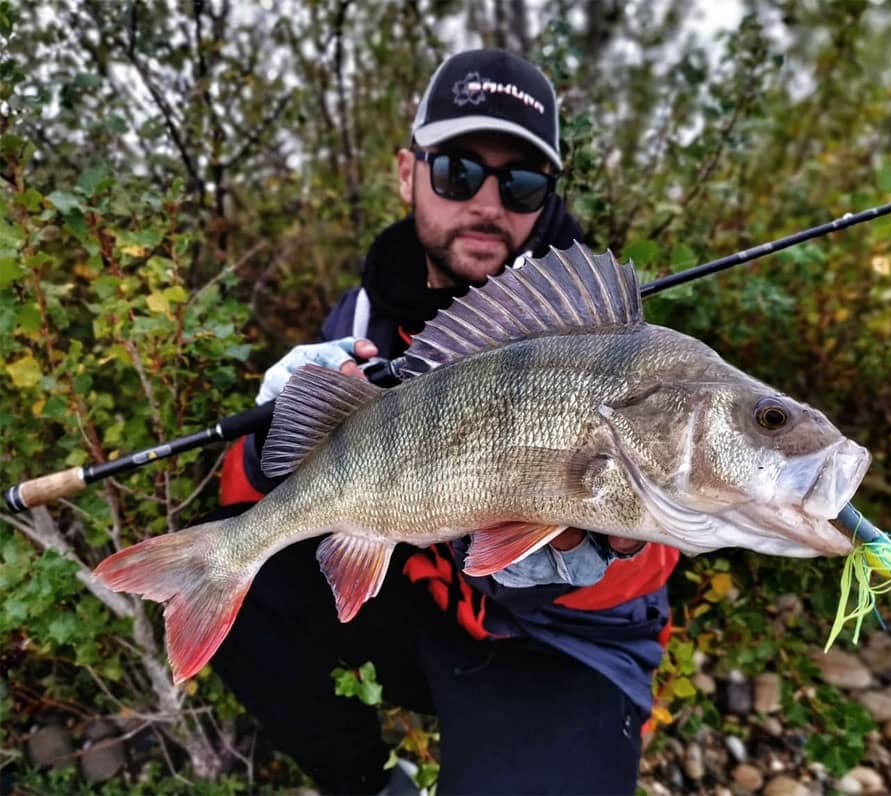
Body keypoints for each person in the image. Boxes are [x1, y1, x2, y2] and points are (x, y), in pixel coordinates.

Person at [212, 48, 679, 795]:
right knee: (241, 583)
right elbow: (266, 489)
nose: (488, 203)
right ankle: (367, 781)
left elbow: (643, 574)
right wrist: (273, 450)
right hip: (422, 596)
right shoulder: (362, 316)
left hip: (554, 646)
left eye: (521, 181)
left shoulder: (590, 336)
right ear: (408, 173)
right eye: (458, 170)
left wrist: (596, 548)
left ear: (546, 195)